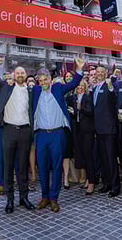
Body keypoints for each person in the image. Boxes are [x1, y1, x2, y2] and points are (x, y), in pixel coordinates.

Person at [0, 52, 36, 213]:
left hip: (25, 131)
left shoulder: (31, 90)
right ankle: (10, 200)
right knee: (8, 166)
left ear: (26, 75)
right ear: (13, 75)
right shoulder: (5, 87)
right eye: (18, 73)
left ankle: (24, 197)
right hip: (8, 130)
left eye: (22, 73)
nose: (20, 75)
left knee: (22, 166)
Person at [32, 60, 84, 212]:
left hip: (57, 134)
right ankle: (45, 197)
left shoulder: (58, 88)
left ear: (50, 79)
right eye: (40, 81)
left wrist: (79, 69)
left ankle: (54, 198)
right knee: (42, 167)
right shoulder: (35, 91)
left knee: (56, 166)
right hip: (42, 134)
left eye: (45, 79)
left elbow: (73, 84)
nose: (43, 83)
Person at [92, 66, 120, 197]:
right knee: (103, 158)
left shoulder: (109, 86)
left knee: (111, 158)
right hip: (98, 129)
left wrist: (110, 87)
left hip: (109, 129)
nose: (99, 74)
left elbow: (113, 99)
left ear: (106, 73)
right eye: (97, 72)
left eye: (102, 72)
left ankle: (115, 186)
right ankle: (107, 183)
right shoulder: (94, 88)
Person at [68, 80, 95, 195]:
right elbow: (75, 115)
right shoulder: (74, 97)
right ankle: (88, 178)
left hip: (88, 130)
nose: (80, 88)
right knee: (82, 155)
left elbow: (90, 112)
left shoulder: (88, 97)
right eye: (78, 86)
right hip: (78, 130)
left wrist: (80, 108)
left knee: (88, 156)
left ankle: (92, 181)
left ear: (85, 87)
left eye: (82, 86)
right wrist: (73, 112)